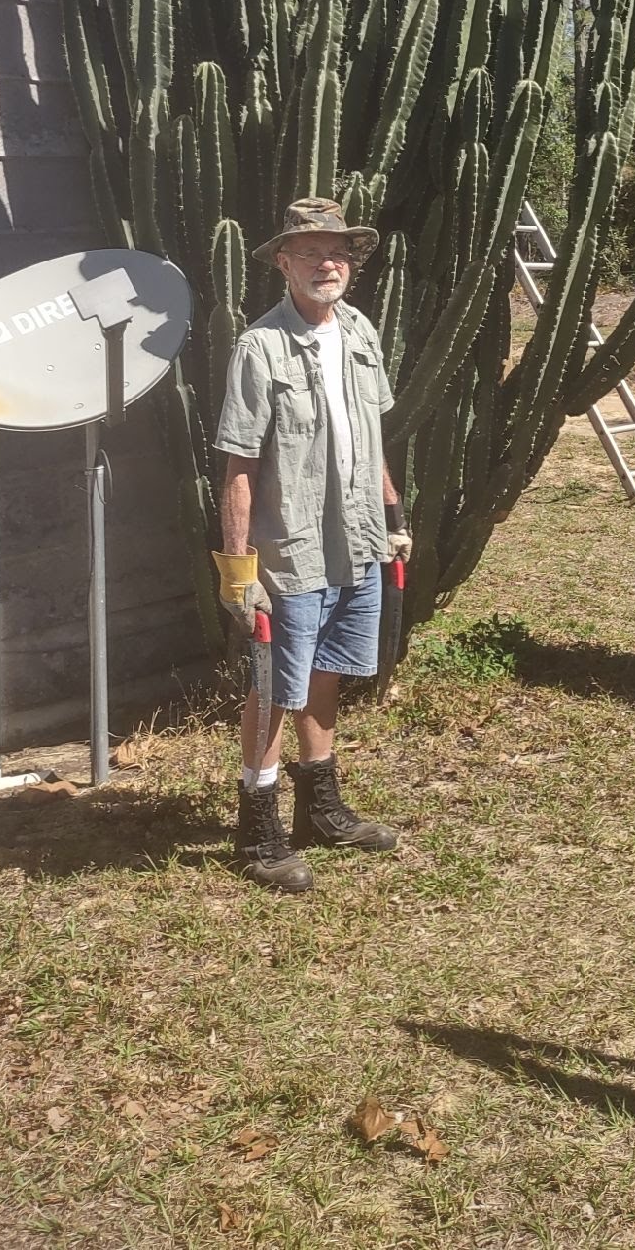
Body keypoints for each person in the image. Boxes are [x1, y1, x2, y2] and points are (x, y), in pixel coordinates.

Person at [212, 197, 412, 892]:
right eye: (312, 252)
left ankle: (320, 809)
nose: (329, 264)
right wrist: (238, 569)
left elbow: (370, 436)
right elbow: (239, 464)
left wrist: (393, 513)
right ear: (284, 264)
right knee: (274, 687)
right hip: (291, 548)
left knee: (326, 672)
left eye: (339, 252)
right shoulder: (260, 348)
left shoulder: (357, 330)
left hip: (358, 537)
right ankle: (257, 826)